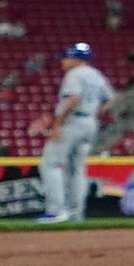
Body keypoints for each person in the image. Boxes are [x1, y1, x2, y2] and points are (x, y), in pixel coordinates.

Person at [38, 39, 114, 225]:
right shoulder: (96, 75)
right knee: (77, 170)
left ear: (77, 59)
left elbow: (72, 98)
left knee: (50, 164)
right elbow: (111, 99)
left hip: (73, 122)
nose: (64, 60)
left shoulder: (74, 74)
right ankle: (76, 213)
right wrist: (94, 112)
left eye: (67, 57)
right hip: (89, 123)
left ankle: (55, 211)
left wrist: (57, 124)